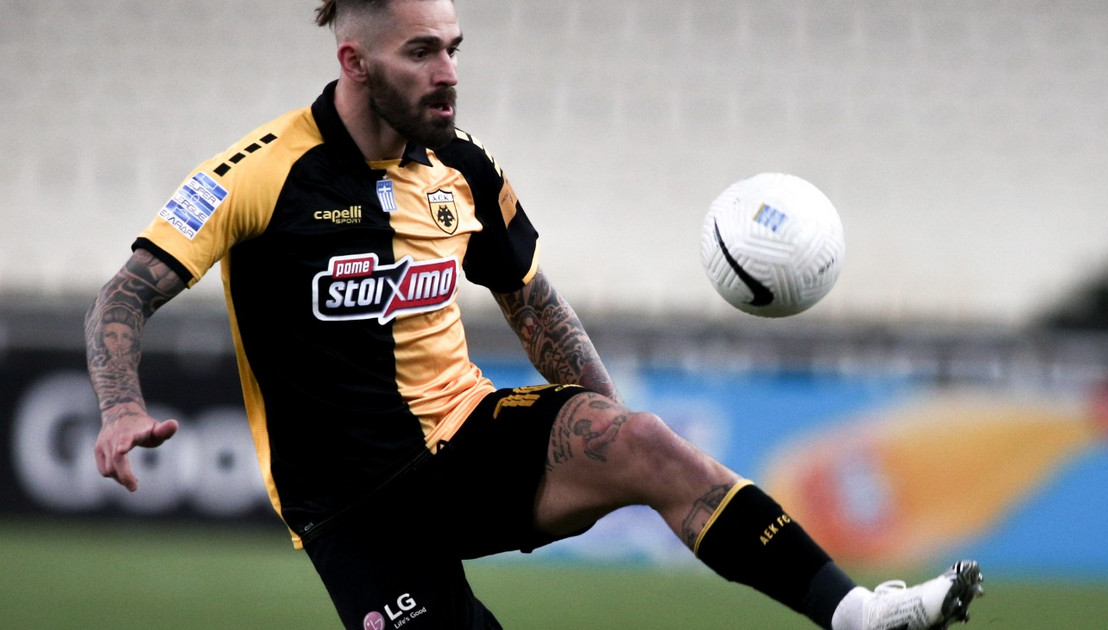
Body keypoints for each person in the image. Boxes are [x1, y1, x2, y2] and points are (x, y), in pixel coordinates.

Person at [84, 1, 984, 628]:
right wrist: (121, 407)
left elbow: (532, 299)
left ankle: (857, 615)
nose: (448, 74)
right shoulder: (259, 173)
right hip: (353, 504)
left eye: (454, 48)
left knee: (648, 441)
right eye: (422, 53)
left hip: (467, 437)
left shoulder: (462, 165)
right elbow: (124, 294)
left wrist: (614, 436)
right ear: (354, 62)